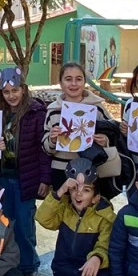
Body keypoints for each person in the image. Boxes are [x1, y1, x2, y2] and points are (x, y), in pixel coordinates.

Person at [0, 67, 51, 276]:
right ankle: (9, 264)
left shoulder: (36, 114)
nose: (11, 96)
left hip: (25, 178)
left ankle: (29, 265)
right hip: (2, 177)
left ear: (23, 89)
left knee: (24, 224)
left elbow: (43, 150)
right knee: (6, 224)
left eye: (15, 90)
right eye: (6, 92)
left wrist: (45, 179)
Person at [42, 62, 112, 190]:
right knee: (62, 203)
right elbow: (45, 148)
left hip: (90, 170)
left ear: (85, 82)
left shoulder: (96, 108)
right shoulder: (53, 110)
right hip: (61, 171)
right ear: (60, 83)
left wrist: (105, 140)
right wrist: (52, 140)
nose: (73, 83)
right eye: (68, 79)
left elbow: (113, 133)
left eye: (78, 79)